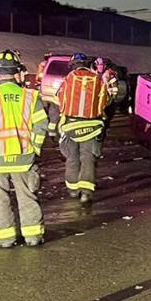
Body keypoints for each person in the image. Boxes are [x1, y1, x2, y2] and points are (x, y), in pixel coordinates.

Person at [0, 50, 50, 248]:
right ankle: (33, 237)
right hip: (23, 159)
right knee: (28, 198)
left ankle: (5, 239)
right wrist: (35, 148)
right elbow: (42, 125)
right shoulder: (30, 97)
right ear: (16, 73)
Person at [53, 53, 110, 205]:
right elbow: (105, 100)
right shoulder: (97, 79)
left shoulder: (69, 79)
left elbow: (59, 99)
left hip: (70, 125)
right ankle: (86, 193)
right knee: (88, 158)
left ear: (72, 65)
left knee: (72, 158)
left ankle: (73, 190)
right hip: (92, 126)